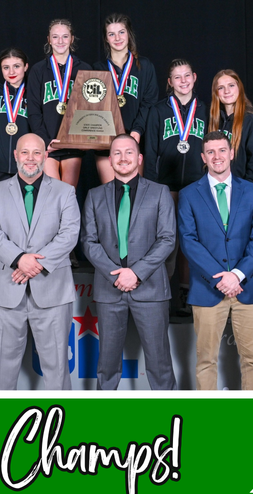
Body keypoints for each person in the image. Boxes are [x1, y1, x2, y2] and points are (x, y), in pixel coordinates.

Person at [0, 133, 80, 390]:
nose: (31, 158)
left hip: (53, 289)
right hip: (5, 289)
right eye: (25, 152)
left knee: (58, 369)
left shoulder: (65, 192)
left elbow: (69, 234)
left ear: (45, 156)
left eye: (37, 152)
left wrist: (35, 265)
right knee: (2, 372)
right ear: (16, 155)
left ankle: (60, 416)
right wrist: (18, 259)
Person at [82, 134, 178, 390]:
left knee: (159, 362)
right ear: (109, 160)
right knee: (107, 365)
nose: (123, 158)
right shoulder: (94, 195)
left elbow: (167, 239)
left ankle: (169, 412)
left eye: (129, 152)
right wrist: (116, 275)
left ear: (140, 158)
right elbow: (89, 242)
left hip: (151, 289)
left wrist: (136, 273)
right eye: (117, 153)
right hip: (109, 289)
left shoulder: (159, 192)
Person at [179, 131, 253, 390]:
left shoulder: (252, 192)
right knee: (206, 361)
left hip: (247, 287)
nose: (216, 156)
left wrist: (237, 275)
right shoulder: (189, 194)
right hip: (208, 288)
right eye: (210, 152)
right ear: (203, 157)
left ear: (231, 153)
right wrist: (221, 278)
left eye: (221, 150)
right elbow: (189, 241)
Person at [145, 59, 209, 314]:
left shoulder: (206, 110)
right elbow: (150, 152)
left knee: (190, 242)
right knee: (166, 242)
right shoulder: (158, 110)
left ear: (194, 77)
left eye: (187, 76)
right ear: (170, 82)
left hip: (197, 187)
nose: (183, 81)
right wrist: (153, 188)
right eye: (177, 77)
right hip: (166, 186)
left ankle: (185, 294)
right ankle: (160, 295)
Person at [93, 13, 159, 184]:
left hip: (136, 138)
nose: (117, 38)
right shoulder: (97, 69)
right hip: (106, 142)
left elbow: (149, 103)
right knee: (111, 194)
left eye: (121, 32)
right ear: (106, 38)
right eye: (111, 34)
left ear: (129, 33)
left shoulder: (144, 66)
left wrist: (137, 131)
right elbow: (92, 107)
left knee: (136, 194)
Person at [26, 19, 91, 187]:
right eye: (55, 37)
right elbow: (33, 110)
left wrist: (84, 139)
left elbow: (91, 109)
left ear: (72, 39)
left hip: (73, 143)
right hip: (49, 143)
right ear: (49, 39)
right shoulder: (38, 70)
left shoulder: (85, 69)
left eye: (65, 36)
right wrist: (44, 140)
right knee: (54, 193)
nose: (60, 41)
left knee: (68, 193)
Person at [209, 69, 253, 189]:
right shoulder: (214, 121)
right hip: (217, 192)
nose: (227, 91)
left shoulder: (252, 121)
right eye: (221, 88)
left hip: (240, 192)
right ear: (216, 92)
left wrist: (246, 195)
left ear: (239, 88)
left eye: (231, 85)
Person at [0, 48, 30, 186]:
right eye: (6, 67)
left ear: (25, 67)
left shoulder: (34, 93)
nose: (11, 72)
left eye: (16, 66)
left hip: (26, 167)